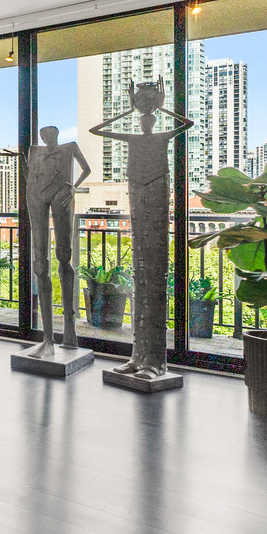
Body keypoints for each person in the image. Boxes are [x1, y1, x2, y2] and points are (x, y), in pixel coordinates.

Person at [90, 81, 192, 379]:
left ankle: (155, 361)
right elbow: (98, 130)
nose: (146, 121)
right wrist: (128, 111)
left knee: (154, 276)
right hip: (137, 190)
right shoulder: (133, 138)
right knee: (139, 274)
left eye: (150, 118)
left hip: (156, 190)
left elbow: (187, 123)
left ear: (156, 120)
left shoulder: (162, 135)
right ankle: (137, 357)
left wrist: (161, 107)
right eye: (143, 118)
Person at [23, 125, 91, 358]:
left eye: (49, 134)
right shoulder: (35, 151)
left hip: (62, 195)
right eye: (43, 134)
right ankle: (48, 339)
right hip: (36, 196)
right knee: (40, 263)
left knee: (64, 256)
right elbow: (31, 175)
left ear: (56, 134)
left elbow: (86, 169)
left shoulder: (69, 148)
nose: (46, 137)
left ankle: (69, 329)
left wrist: (74, 187)